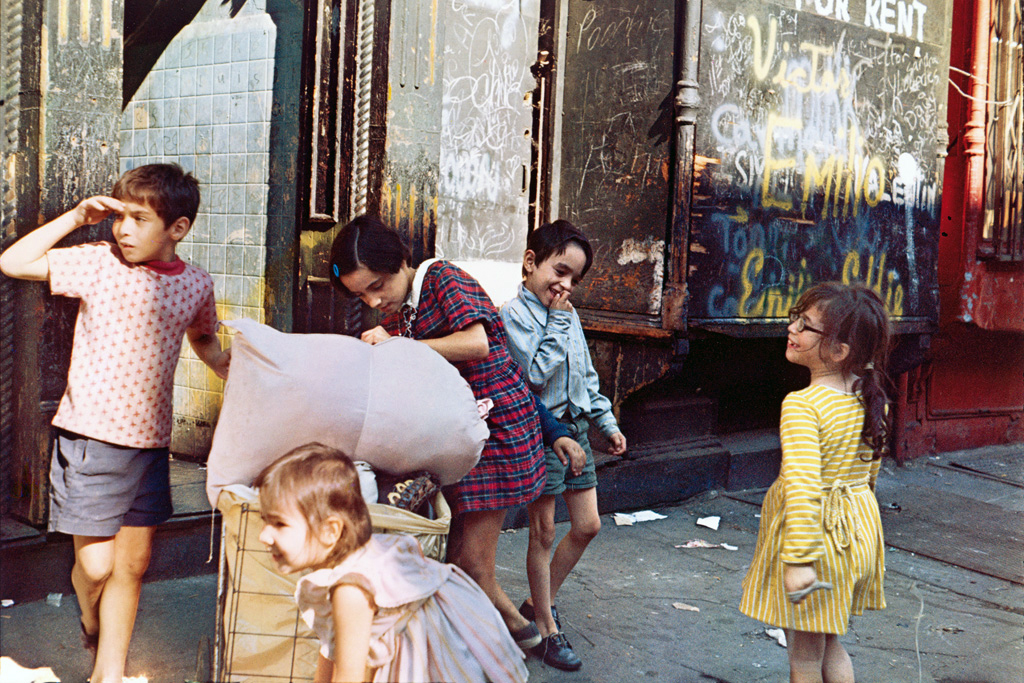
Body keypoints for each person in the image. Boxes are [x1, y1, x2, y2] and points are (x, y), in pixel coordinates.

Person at [0, 163, 230, 681]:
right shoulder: (98, 264)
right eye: (120, 217)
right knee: (98, 568)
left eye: (140, 219)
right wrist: (76, 218)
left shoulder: (196, 284)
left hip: (149, 446)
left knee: (132, 567)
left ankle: (109, 670)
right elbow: (13, 263)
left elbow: (202, 336)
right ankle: (87, 606)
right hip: (91, 441)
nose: (123, 230)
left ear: (178, 228)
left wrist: (222, 363)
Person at [329, 214, 548, 649]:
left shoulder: (442, 277)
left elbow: (477, 343)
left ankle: (526, 637)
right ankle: (486, 641)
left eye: (378, 285)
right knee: (457, 554)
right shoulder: (396, 314)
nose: (374, 301)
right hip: (460, 436)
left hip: (497, 428)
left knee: (473, 563)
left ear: (402, 261)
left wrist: (399, 347)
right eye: (361, 295)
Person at [256, 442, 530, 683]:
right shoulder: (351, 562)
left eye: (279, 524)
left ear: (330, 531)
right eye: (264, 521)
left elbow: (349, 677)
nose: (264, 535)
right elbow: (331, 648)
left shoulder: (350, 589)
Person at [739, 282, 891, 683]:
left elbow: (803, 486)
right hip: (856, 534)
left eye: (805, 326)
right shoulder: (869, 396)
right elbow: (869, 473)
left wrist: (800, 560)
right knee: (829, 642)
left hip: (819, 540)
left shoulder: (803, 406)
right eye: (796, 318)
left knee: (804, 658)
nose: (792, 329)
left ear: (839, 350)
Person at [499, 219, 627, 671]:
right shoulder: (512, 317)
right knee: (544, 532)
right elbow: (533, 375)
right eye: (559, 271)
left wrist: (605, 423)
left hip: (577, 431)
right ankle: (547, 630)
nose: (565, 285)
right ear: (531, 263)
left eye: (574, 278)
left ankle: (539, 602)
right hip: (542, 432)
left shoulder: (568, 315)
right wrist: (555, 319)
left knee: (588, 525)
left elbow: (585, 376)